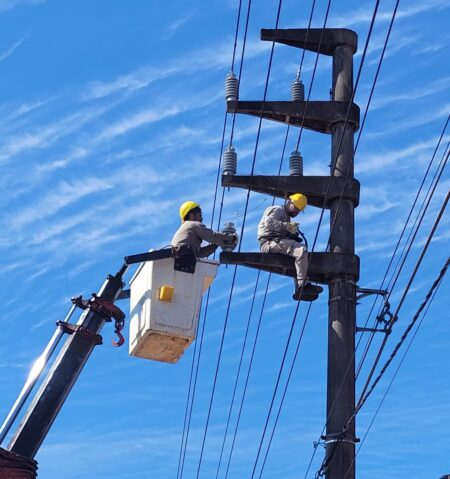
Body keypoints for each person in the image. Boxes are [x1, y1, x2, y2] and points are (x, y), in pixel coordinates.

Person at [257, 193, 322, 301]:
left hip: (275, 241)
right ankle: (303, 286)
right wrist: (287, 227)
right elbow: (268, 223)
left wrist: (291, 235)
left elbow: (279, 229)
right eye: (296, 208)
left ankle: (299, 289)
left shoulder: (286, 217)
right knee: (301, 250)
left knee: (296, 257)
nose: (296, 212)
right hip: (269, 242)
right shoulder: (277, 210)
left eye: (299, 210)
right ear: (289, 202)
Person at [171, 201, 238, 259]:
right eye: (199, 215)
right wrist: (231, 238)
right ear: (191, 216)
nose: (201, 219)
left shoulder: (185, 229)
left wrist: (215, 244)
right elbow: (212, 236)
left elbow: (201, 253)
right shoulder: (193, 224)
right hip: (183, 257)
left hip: (179, 260)